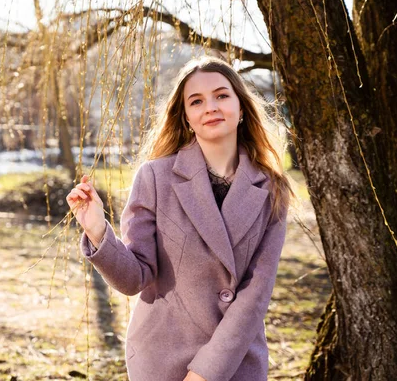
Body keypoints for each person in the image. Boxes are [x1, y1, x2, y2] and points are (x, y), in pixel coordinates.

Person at [66, 56, 297, 381]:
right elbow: (135, 279)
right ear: (186, 117)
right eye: (197, 101)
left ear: (241, 107)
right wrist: (97, 231)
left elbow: (255, 295)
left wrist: (204, 373)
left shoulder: (271, 188)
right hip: (162, 360)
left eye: (221, 95)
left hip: (236, 363)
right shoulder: (155, 178)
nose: (210, 107)